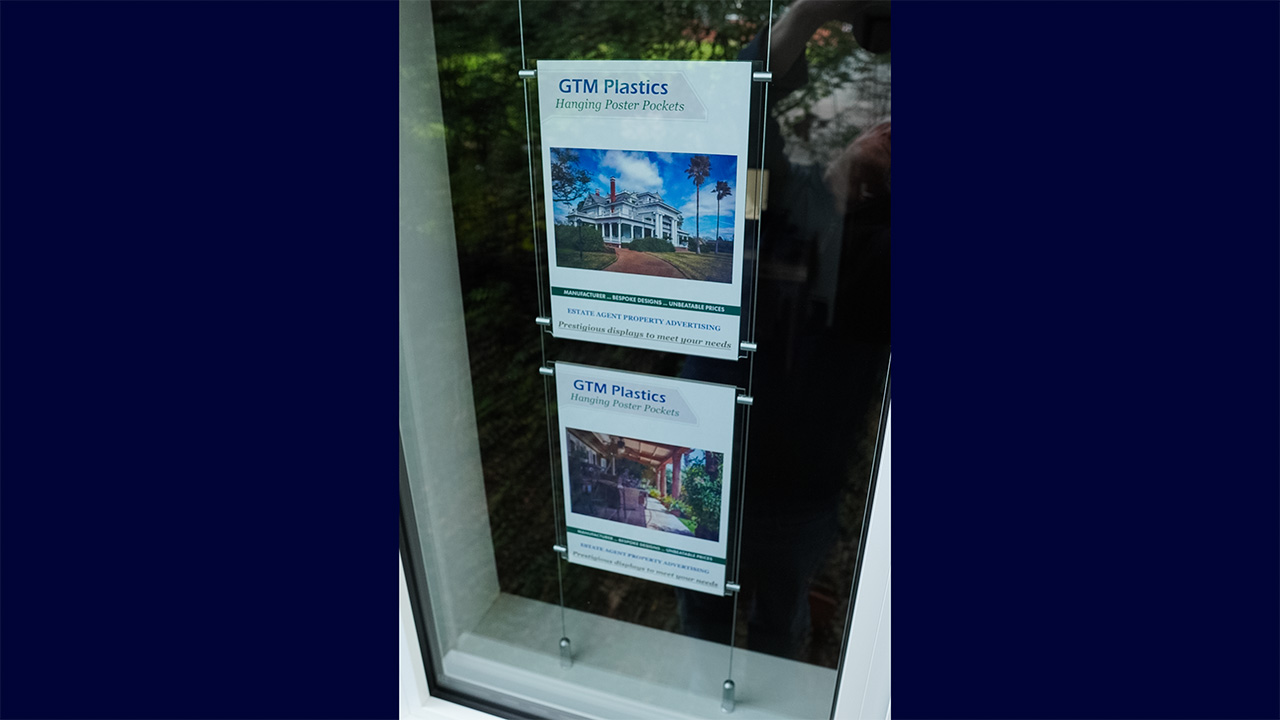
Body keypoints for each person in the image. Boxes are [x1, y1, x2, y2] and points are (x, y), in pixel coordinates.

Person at [676, 0, 890, 663]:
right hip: (711, 466)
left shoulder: (882, 253)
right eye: (882, 125)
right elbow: (735, 120)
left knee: (779, 635)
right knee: (703, 633)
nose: (887, 128)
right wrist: (810, 13)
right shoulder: (770, 197)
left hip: (801, 494)